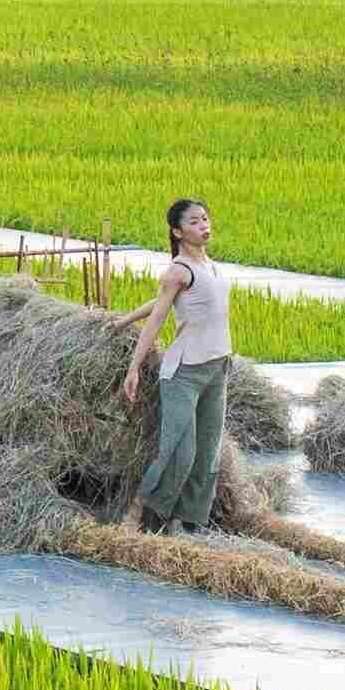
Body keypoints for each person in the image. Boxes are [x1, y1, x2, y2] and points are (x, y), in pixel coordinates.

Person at [117, 199, 232, 536]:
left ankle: (187, 522)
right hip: (184, 372)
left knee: (208, 453)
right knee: (181, 451)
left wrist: (124, 319)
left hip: (217, 367)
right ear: (178, 231)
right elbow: (159, 316)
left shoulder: (210, 266)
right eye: (195, 222)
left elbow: (158, 300)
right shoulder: (179, 269)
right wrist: (134, 367)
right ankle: (149, 519)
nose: (204, 225)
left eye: (206, 219)